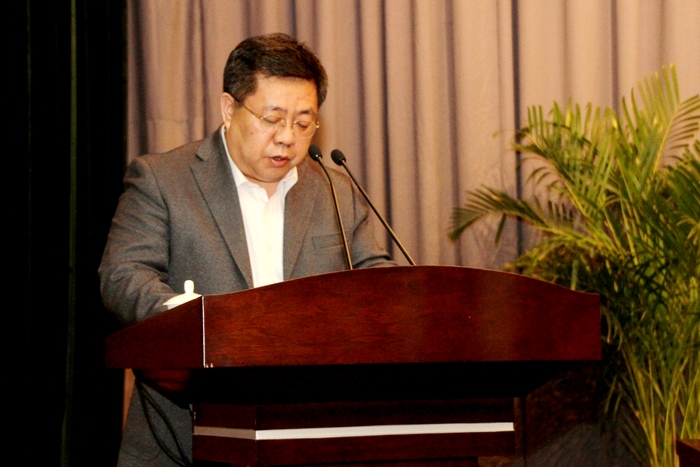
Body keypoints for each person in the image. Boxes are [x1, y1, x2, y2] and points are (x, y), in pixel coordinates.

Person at [99, 33, 393, 466]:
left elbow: (375, 281)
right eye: (272, 118)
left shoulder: (335, 191)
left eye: (303, 123)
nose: (287, 137)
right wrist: (195, 320)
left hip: (311, 437)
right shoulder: (162, 179)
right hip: (185, 436)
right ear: (229, 108)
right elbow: (123, 275)